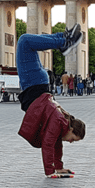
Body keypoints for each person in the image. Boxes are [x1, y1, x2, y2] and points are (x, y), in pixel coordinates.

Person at [16, 24, 86, 177]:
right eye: (73, 139)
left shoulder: (62, 122)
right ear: (72, 130)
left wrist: (59, 167)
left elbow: (56, 145)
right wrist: (50, 172)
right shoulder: (59, 120)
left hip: (39, 83)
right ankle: (64, 41)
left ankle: (63, 38)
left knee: (27, 43)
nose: (70, 142)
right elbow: (47, 144)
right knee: (24, 41)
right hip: (33, 84)